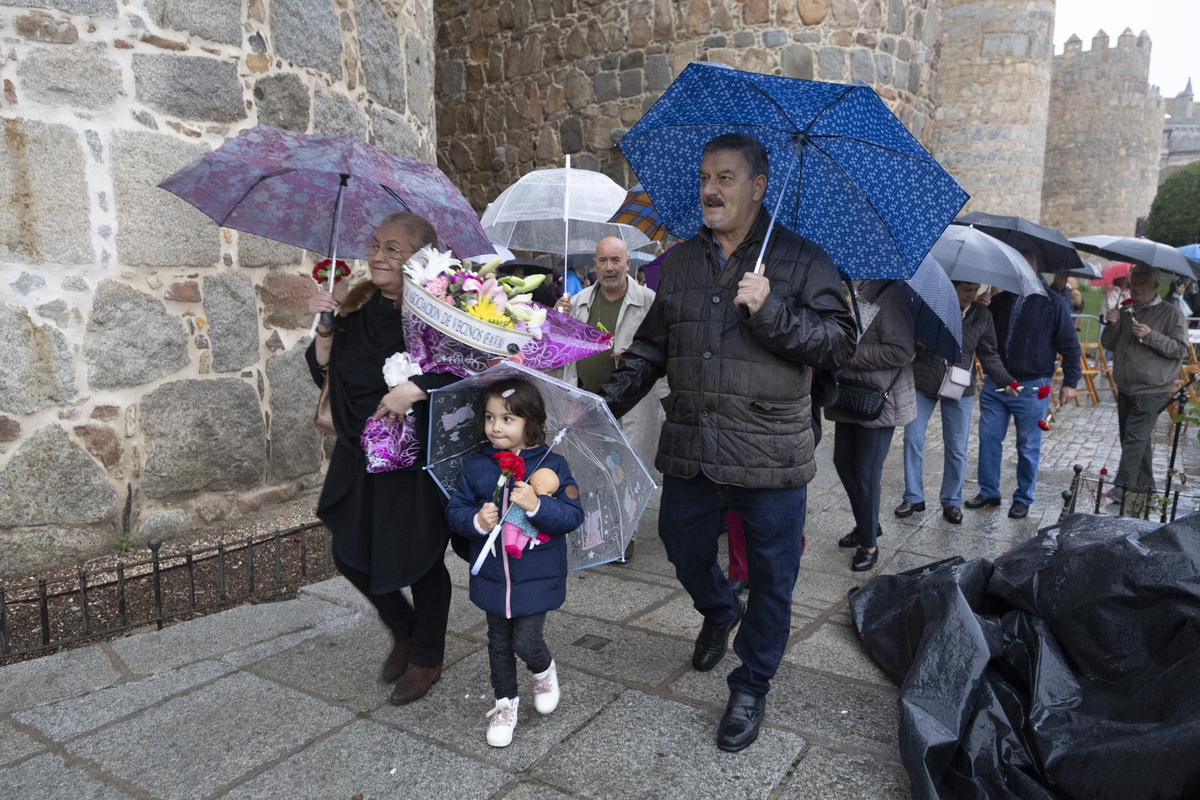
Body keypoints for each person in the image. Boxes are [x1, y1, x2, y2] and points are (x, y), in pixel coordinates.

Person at [598, 133, 857, 752]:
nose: (710, 190)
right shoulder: (682, 262)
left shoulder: (802, 259)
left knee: (772, 577)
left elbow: (841, 342)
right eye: (705, 177)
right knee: (682, 546)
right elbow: (655, 347)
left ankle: (752, 683)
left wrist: (771, 312)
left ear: (758, 186)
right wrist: (602, 403)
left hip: (770, 454)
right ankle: (718, 609)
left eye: (725, 178)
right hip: (693, 446)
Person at [305, 212, 459, 705]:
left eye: (393, 248)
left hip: (413, 459)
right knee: (348, 553)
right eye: (374, 245)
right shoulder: (356, 307)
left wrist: (415, 389)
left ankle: (428, 656)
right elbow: (327, 374)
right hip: (359, 452)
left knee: (421, 558)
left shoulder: (441, 313)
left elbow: (470, 374)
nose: (377, 255)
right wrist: (325, 330)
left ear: (421, 257)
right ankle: (404, 628)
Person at [445, 377, 584, 748]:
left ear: (530, 421)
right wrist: (477, 520)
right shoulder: (477, 467)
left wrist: (537, 505)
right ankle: (504, 704)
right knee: (497, 642)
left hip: (537, 576)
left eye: (507, 419)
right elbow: (455, 510)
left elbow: (571, 516)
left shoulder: (552, 463)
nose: (495, 427)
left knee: (525, 639)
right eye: (490, 418)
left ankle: (543, 669)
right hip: (492, 574)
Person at [557, 236, 665, 563]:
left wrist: (633, 357)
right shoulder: (575, 302)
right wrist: (557, 319)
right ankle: (598, 532)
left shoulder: (649, 301)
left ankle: (622, 536)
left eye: (616, 260)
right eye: (603, 261)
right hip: (587, 403)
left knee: (626, 472)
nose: (609, 267)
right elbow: (560, 353)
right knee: (591, 471)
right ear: (595, 265)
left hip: (632, 406)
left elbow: (664, 353)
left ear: (628, 263)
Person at [967, 255, 1081, 520]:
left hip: (1032, 386)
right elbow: (979, 336)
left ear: (1035, 266)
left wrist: (1071, 382)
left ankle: (1023, 497)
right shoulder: (998, 300)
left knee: (1028, 445)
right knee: (988, 438)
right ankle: (988, 491)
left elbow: (1070, 347)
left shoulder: (1052, 303)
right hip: (998, 383)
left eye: (1022, 262)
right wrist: (978, 308)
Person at [897, 282, 1015, 524]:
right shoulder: (932, 306)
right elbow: (909, 336)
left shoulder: (982, 315)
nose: (971, 295)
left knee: (957, 448)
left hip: (959, 385)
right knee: (913, 438)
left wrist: (1007, 380)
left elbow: (989, 353)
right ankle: (913, 497)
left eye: (974, 290)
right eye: (965, 290)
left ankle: (952, 501)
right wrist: (921, 341)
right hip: (924, 380)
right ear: (951, 287)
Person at [824, 280, 915, 571]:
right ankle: (868, 523)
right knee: (842, 462)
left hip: (878, 401)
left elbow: (901, 351)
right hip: (850, 393)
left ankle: (869, 545)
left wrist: (849, 353)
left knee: (866, 473)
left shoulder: (895, 296)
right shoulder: (856, 290)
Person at [1100, 265, 1189, 501]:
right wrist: (1112, 322)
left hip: (1152, 388)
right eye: (1132, 283)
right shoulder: (1127, 309)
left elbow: (1181, 349)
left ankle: (1122, 485)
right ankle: (1146, 485)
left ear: (1155, 286)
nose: (1135, 288)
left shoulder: (1171, 313)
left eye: (1141, 283)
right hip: (1126, 385)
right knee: (1136, 438)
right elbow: (1108, 343)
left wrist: (1150, 335)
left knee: (1135, 437)